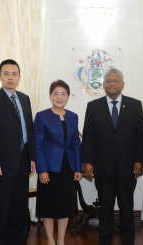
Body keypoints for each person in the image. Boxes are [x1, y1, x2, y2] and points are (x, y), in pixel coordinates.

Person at [82, 68, 143, 245]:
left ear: (122, 84)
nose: (111, 83)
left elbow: (140, 135)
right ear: (103, 85)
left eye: (115, 81)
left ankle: (128, 241)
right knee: (105, 209)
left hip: (128, 167)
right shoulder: (93, 107)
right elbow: (87, 136)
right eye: (108, 81)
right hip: (103, 167)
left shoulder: (135, 105)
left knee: (127, 208)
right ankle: (104, 241)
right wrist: (87, 161)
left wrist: (140, 160)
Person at [0, 59, 36, 245]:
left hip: (23, 162)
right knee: (2, 210)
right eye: (6, 74)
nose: (10, 77)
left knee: (20, 209)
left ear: (19, 77)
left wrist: (32, 158)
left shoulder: (24, 98)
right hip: (2, 166)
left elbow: (29, 130)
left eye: (14, 74)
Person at [34, 80, 82, 245]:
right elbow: (37, 145)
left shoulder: (73, 116)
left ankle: (61, 240)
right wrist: (41, 170)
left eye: (63, 94)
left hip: (67, 168)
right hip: (48, 168)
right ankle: (51, 240)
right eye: (56, 93)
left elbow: (76, 143)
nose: (59, 97)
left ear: (68, 96)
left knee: (64, 206)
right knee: (48, 207)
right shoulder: (41, 116)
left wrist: (77, 168)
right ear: (50, 96)